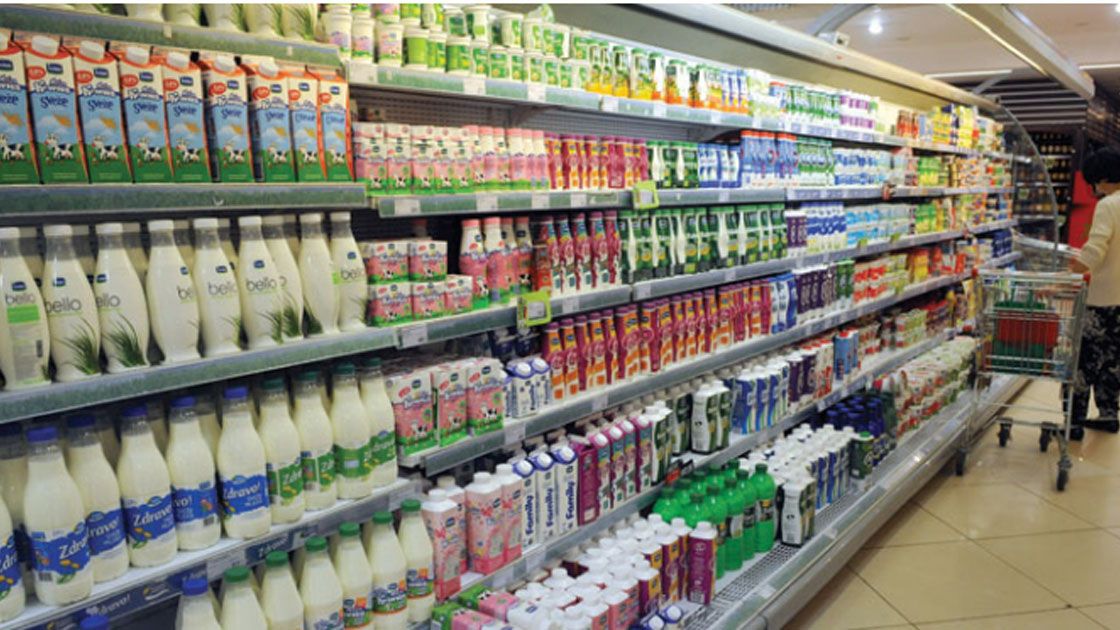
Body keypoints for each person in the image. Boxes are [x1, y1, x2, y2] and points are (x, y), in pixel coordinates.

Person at [1068, 146, 1120, 434]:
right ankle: (1108, 413)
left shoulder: (1109, 205)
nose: (1094, 189)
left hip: (1102, 299)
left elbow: (1096, 248)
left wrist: (1070, 274)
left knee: (1083, 360)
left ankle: (1074, 421)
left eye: (1094, 182)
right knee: (1112, 359)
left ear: (1103, 178)